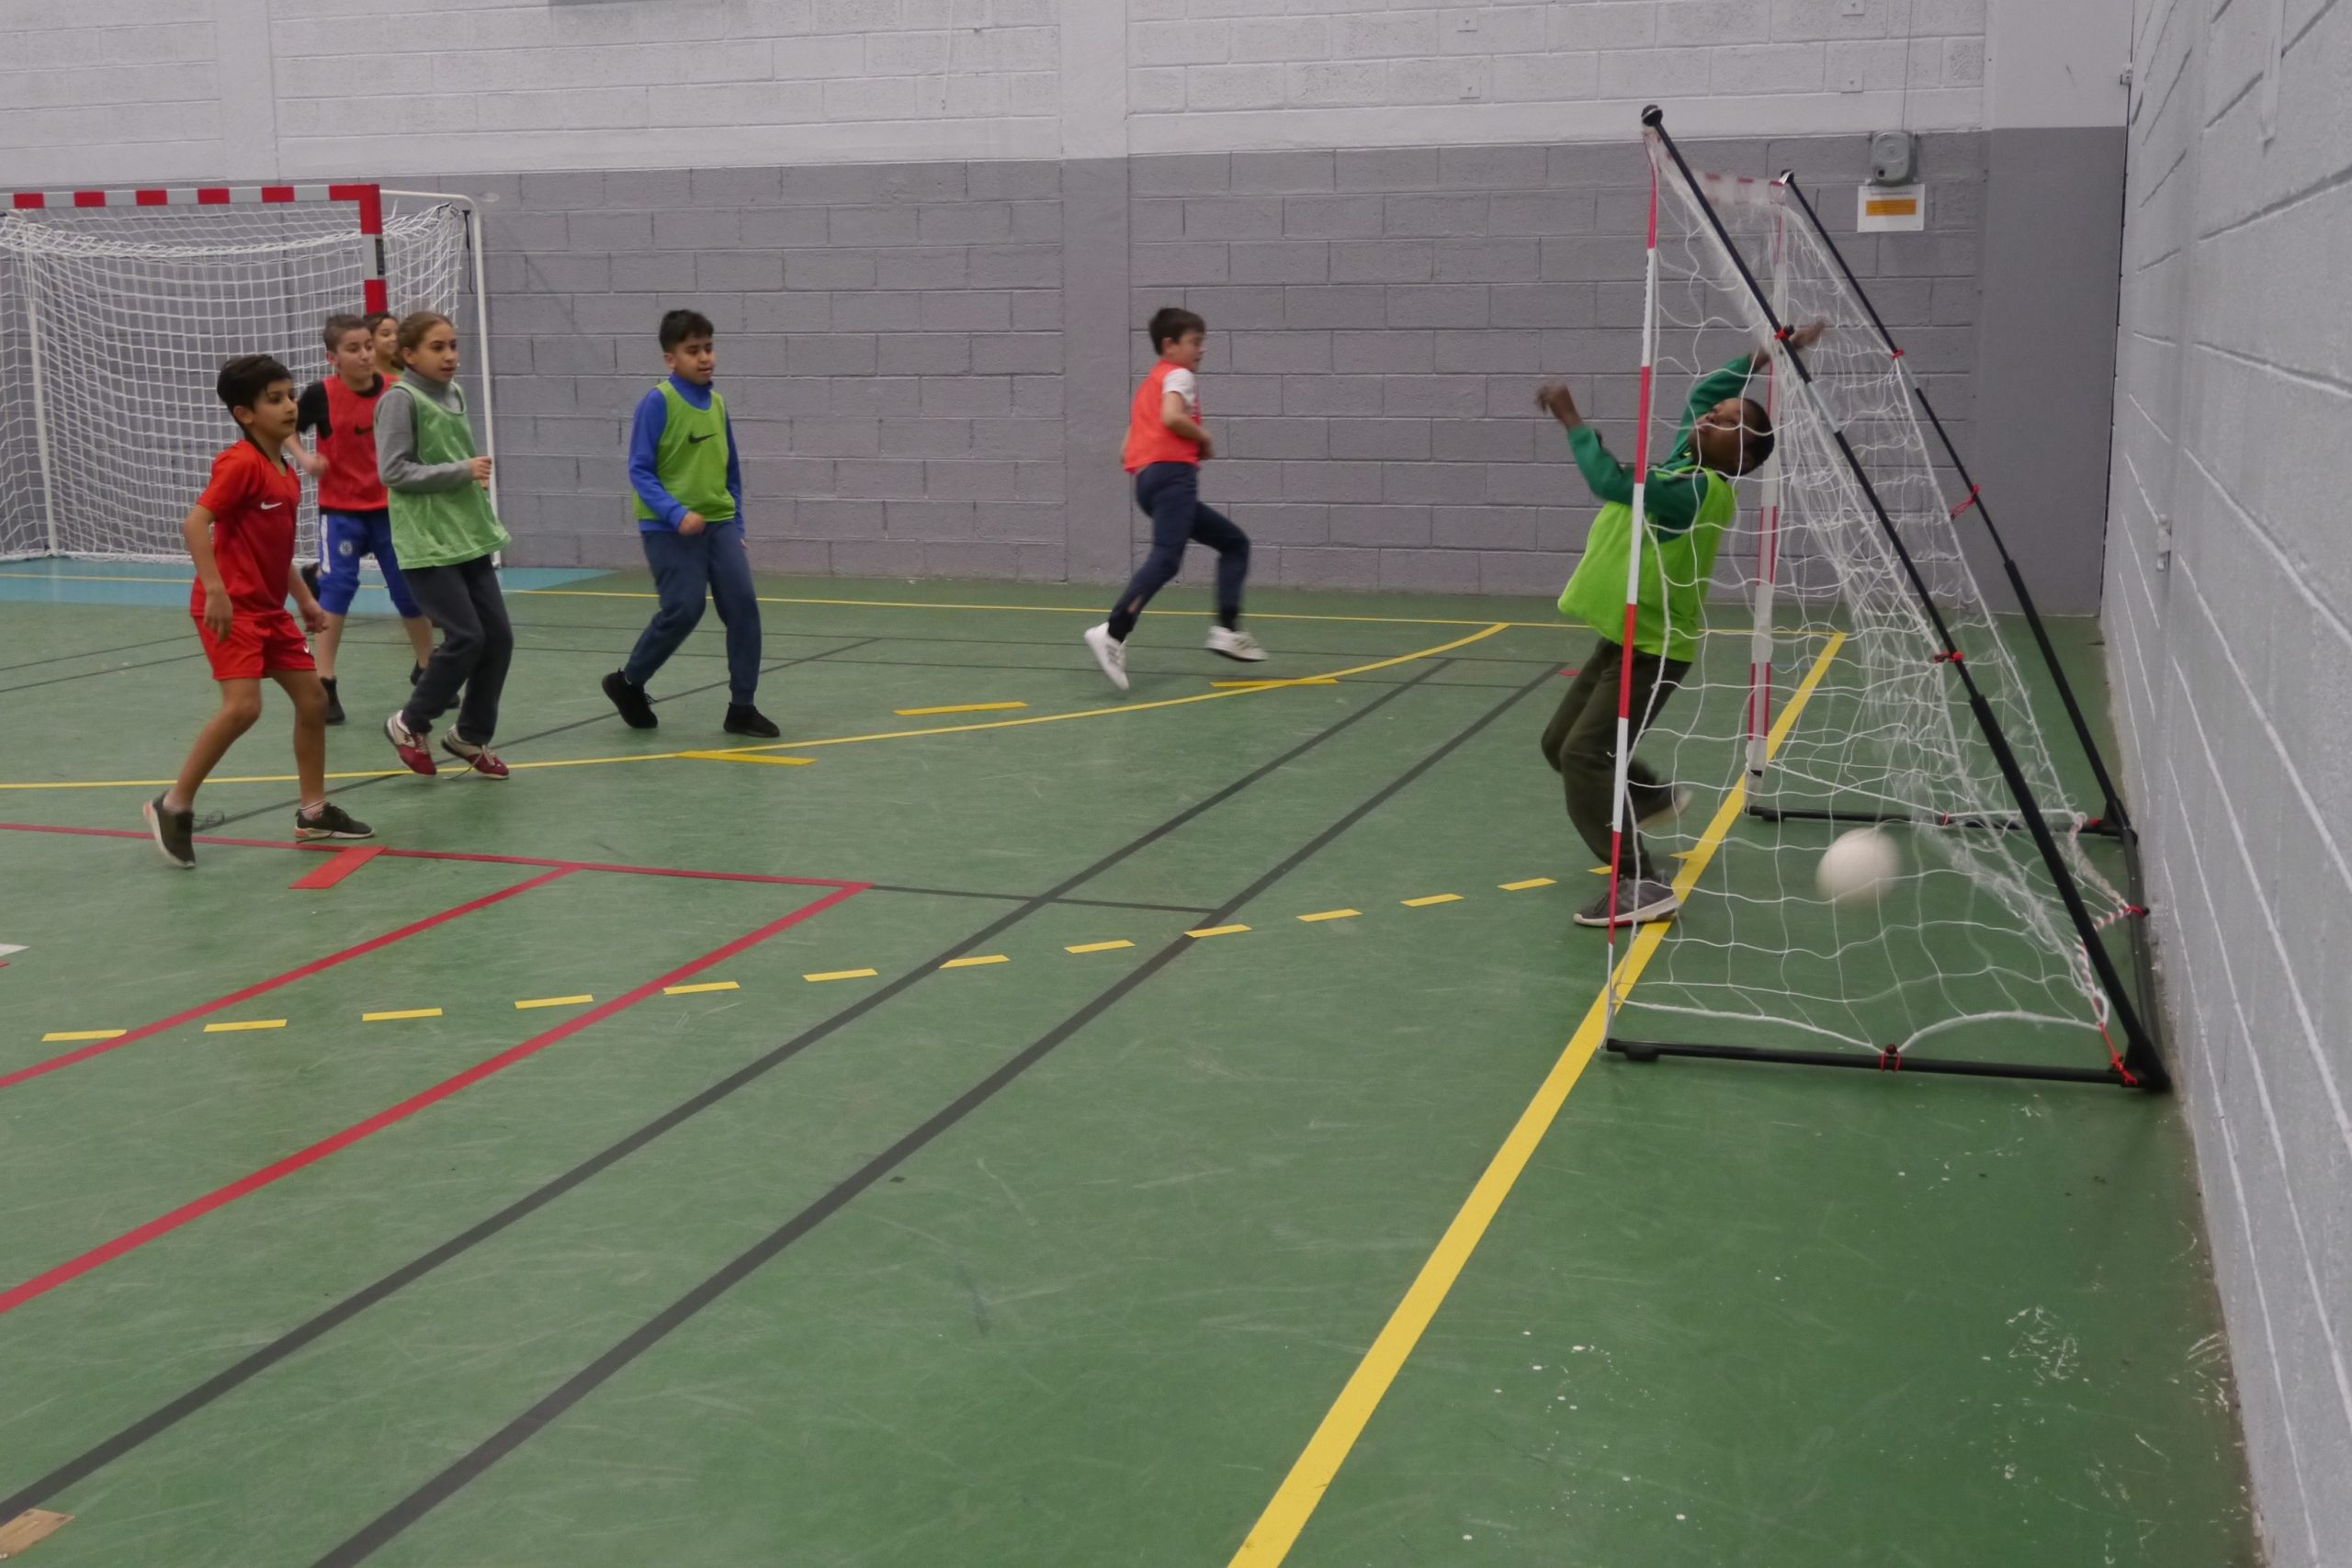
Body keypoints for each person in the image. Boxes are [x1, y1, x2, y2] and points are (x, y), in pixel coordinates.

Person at [1534, 320, 1825, 929]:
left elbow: (1610, 481)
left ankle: (1640, 881)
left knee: (1585, 753)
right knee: (1558, 745)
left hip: (1656, 650)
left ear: (1741, 455)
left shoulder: (1698, 492)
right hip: (1624, 639)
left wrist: (1573, 420)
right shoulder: (1685, 462)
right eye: (1712, 415)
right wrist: (1764, 357)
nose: (1706, 420)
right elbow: (1699, 398)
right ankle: (1646, 795)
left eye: (1723, 424)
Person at [143, 354, 372, 867]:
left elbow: (276, 548)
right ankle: (172, 805)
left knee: (313, 700)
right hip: (231, 609)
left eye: (290, 396)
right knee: (244, 706)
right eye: (275, 399)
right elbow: (195, 523)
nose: (290, 406)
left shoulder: (285, 472)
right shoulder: (239, 463)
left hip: (269, 610)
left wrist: (305, 599)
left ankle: (313, 813)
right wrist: (216, 588)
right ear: (245, 413)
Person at [600, 309, 777, 737]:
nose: (704, 358)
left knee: (743, 607)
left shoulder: (717, 403)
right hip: (667, 528)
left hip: (719, 525)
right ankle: (628, 682)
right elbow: (640, 470)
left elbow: (730, 469)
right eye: (692, 350)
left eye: (709, 348)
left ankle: (742, 707)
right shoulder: (658, 402)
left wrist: (738, 524)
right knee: (684, 608)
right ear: (670, 358)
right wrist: (676, 513)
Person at [1082, 307, 1265, 692]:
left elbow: (1125, 450)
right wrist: (1203, 437)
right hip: (1173, 477)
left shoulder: (1150, 384)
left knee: (1234, 543)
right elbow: (1172, 417)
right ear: (1170, 345)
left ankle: (1228, 630)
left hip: (1148, 482)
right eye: (1195, 342)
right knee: (1166, 559)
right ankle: (1113, 631)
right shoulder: (1180, 376)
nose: (1202, 350)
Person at [378, 310, 514, 779]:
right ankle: (409, 722)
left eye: (453, 345)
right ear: (409, 354)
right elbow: (393, 472)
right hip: (427, 541)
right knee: (467, 636)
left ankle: (470, 734)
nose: (450, 355)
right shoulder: (401, 399)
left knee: (498, 637)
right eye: (437, 347)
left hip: (467, 534)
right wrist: (461, 471)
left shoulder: (453, 393)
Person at [289, 313, 435, 723]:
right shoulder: (321, 395)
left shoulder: (396, 390)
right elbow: (287, 425)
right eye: (353, 349)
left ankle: (427, 668)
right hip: (341, 512)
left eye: (368, 346)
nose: (365, 355)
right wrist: (303, 457)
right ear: (332, 357)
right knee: (336, 589)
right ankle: (325, 681)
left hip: (392, 510)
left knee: (409, 590)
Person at [366, 310, 401, 379]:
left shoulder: (405, 376)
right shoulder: (366, 379)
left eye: (397, 334)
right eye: (386, 334)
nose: (394, 338)